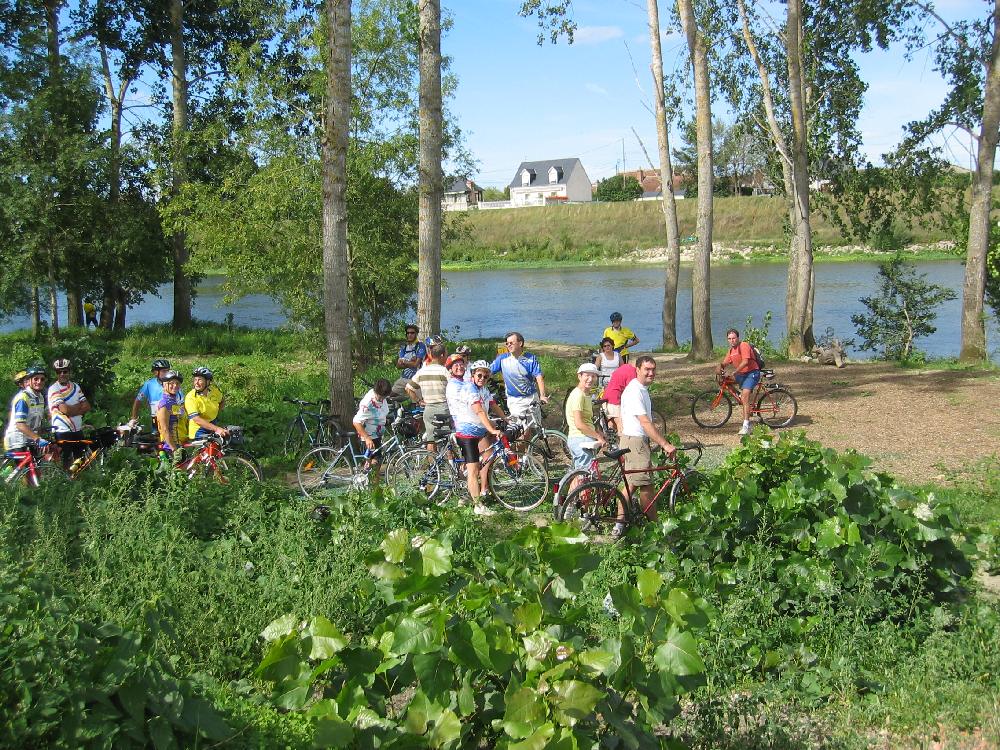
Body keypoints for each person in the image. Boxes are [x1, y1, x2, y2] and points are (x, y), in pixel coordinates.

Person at [618, 355, 676, 536]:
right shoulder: (635, 391)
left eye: (653, 369)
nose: (651, 373)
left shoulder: (641, 389)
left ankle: (618, 525)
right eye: (647, 369)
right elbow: (644, 422)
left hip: (633, 440)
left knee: (631, 485)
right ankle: (655, 529)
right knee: (646, 487)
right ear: (637, 369)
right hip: (636, 442)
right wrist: (665, 444)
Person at [453, 360, 506, 516]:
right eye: (479, 375)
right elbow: (479, 411)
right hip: (467, 433)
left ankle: (468, 491)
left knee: (485, 458)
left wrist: (506, 419)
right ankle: (478, 506)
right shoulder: (470, 389)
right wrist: (491, 429)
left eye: (486, 376)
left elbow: (493, 404)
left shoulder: (483, 389)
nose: (482, 378)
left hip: (479, 431)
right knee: (474, 470)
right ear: (473, 375)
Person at [490, 331, 549, 434]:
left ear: (520, 343)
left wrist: (542, 395)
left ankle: (526, 445)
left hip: (532, 398)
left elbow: (539, 377)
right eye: (507, 343)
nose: (509, 345)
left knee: (530, 428)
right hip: (515, 400)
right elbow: (487, 371)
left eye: (511, 343)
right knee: (520, 431)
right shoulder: (502, 359)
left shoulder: (530, 358)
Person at [565, 363, 607, 494]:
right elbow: (579, 423)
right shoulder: (578, 395)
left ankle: (569, 503)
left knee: (580, 476)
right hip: (580, 438)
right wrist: (598, 437)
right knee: (585, 480)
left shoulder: (585, 394)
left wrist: (598, 432)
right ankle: (582, 505)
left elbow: (586, 421)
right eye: (587, 375)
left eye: (593, 376)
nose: (590, 379)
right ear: (579, 376)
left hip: (581, 438)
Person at [717, 328, 761, 436]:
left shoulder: (744, 346)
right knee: (725, 381)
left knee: (745, 398)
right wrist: (719, 367)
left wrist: (734, 372)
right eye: (729, 339)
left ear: (738, 338)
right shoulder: (731, 351)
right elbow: (724, 363)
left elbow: (745, 362)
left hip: (752, 373)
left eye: (734, 338)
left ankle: (746, 426)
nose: (732, 340)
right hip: (741, 374)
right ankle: (740, 397)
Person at [47, 358, 92, 466]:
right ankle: (65, 477)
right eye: (59, 372)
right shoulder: (54, 388)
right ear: (56, 374)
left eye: (65, 371)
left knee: (80, 461)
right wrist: (78, 407)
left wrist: (71, 410)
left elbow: (87, 406)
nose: (62, 374)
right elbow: (65, 410)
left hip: (77, 428)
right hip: (62, 430)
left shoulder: (76, 386)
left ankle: (78, 477)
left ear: (69, 372)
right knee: (66, 461)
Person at [406, 343, 450, 451]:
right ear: (442, 355)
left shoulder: (422, 371)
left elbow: (408, 388)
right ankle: (449, 460)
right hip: (443, 408)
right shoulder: (444, 371)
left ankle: (431, 460)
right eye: (446, 355)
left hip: (428, 408)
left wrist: (418, 400)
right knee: (447, 440)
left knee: (431, 440)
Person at [353, 378, 392, 484]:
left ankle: (373, 484)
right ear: (376, 392)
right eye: (381, 396)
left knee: (377, 461)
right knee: (374, 462)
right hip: (369, 435)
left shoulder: (382, 397)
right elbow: (356, 422)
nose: (382, 399)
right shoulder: (368, 403)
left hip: (377, 433)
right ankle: (371, 485)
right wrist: (367, 438)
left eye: (384, 397)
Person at [3, 366, 49, 453]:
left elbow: (36, 422)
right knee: (28, 463)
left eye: (42, 379)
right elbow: (20, 424)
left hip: (30, 440)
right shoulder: (23, 397)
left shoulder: (40, 397)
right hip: (17, 441)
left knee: (39, 462)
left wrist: (44, 431)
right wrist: (37, 438)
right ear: (29, 381)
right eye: (36, 379)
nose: (39, 382)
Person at [185, 367, 229, 440]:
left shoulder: (213, 391)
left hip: (212, 425)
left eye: (200, 380)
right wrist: (217, 429)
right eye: (195, 379)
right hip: (199, 430)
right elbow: (196, 419)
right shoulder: (191, 397)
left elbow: (222, 400)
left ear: (208, 381)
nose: (196, 383)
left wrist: (215, 414)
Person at [132, 358, 172, 429]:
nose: (167, 373)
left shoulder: (173, 384)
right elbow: (138, 401)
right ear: (156, 372)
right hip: (155, 418)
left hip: (172, 418)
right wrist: (134, 418)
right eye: (164, 371)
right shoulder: (149, 384)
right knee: (156, 433)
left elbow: (180, 403)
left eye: (168, 371)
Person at [155, 370, 187, 455]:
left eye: (177, 383)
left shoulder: (175, 402)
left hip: (181, 445)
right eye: (171, 383)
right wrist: (174, 450)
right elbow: (164, 429)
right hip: (170, 448)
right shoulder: (164, 404)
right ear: (164, 384)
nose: (175, 386)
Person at [602, 360, 637, 434]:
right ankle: (622, 440)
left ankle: (610, 440)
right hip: (615, 399)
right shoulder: (632, 371)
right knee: (620, 424)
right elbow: (632, 389)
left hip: (606, 397)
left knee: (611, 422)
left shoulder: (623, 367)